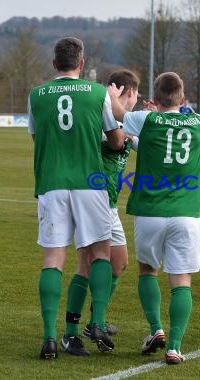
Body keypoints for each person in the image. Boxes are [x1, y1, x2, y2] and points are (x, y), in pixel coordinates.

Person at [28, 36, 124, 359]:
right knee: (99, 254)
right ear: (81, 64)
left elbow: (36, 136)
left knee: (53, 258)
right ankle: (96, 322)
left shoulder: (36, 95)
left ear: (54, 64)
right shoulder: (98, 93)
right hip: (90, 182)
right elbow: (116, 142)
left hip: (52, 182)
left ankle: (50, 339)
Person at [108, 72, 200, 365]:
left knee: (148, 271)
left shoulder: (145, 120)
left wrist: (114, 94)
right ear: (183, 97)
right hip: (186, 214)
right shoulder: (198, 122)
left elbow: (118, 115)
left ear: (156, 96)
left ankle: (156, 329)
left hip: (150, 212)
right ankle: (174, 347)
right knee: (181, 282)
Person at [59, 69, 140, 356]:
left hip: (109, 205)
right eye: (135, 94)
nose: (136, 99)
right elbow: (109, 140)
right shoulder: (100, 116)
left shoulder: (124, 120)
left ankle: (97, 320)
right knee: (87, 263)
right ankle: (71, 333)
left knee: (118, 262)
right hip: (92, 200)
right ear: (127, 92)